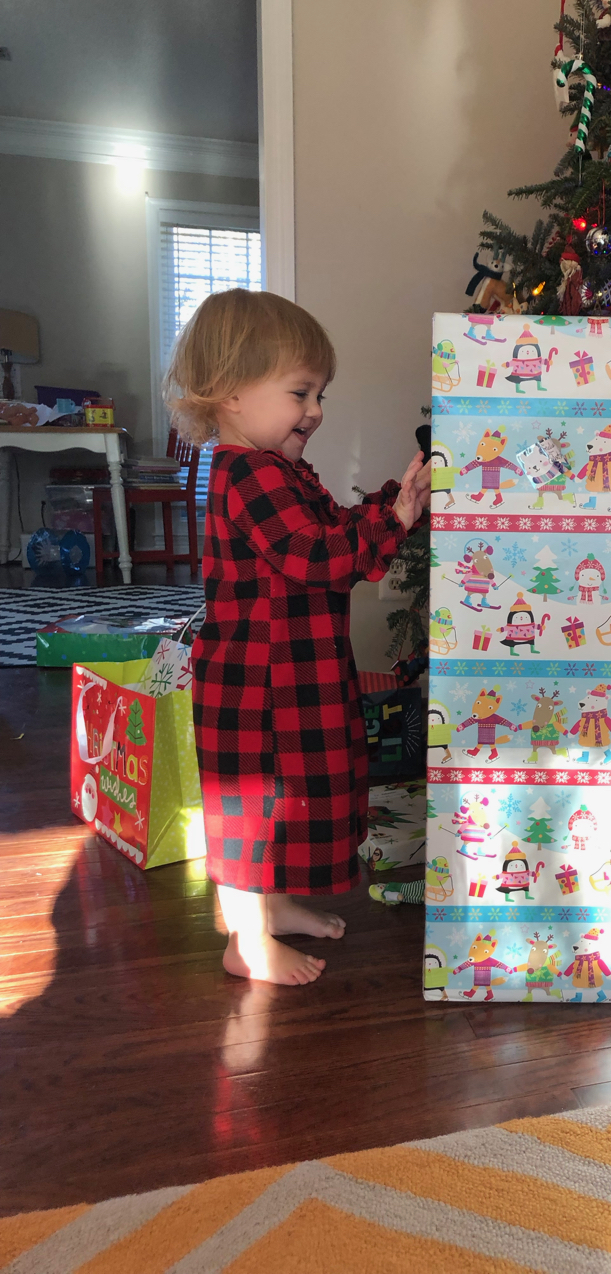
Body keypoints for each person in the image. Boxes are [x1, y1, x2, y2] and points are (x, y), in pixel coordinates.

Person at [163, 289, 431, 986]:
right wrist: (394, 521)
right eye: (299, 392)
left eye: (320, 394)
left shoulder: (275, 470)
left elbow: (332, 529)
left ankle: (274, 908)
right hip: (257, 687)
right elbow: (316, 556)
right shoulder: (248, 473)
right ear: (229, 393)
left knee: (283, 805)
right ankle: (246, 943)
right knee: (253, 813)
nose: (315, 410)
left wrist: (389, 505)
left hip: (288, 674)